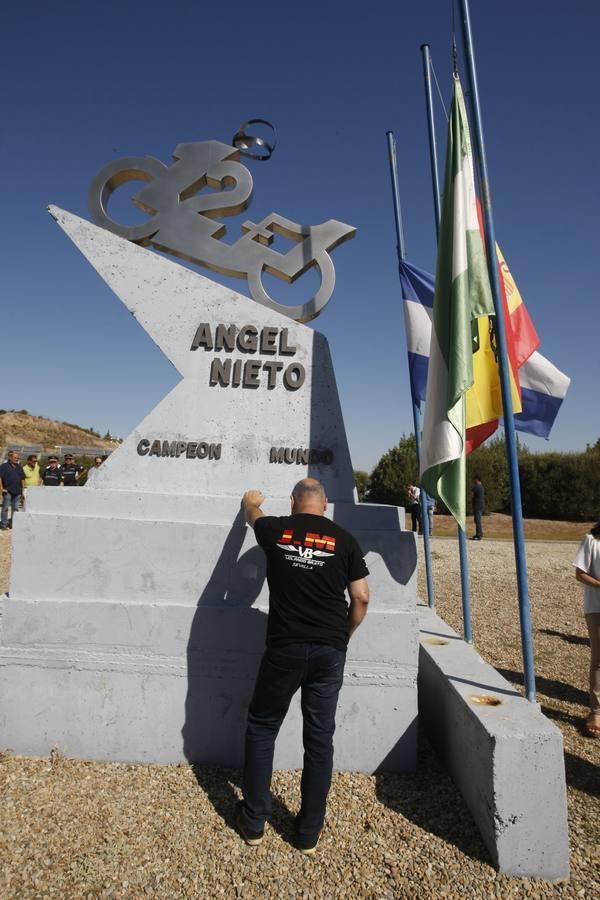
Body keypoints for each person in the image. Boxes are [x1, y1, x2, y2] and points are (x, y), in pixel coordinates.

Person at [237, 478, 370, 855]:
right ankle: (308, 833)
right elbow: (361, 597)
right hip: (330, 650)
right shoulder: (344, 540)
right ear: (325, 504)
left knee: (263, 727)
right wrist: (342, 636)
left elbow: (253, 515)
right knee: (319, 739)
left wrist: (251, 500)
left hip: (285, 649)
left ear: (294, 501)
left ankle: (254, 822)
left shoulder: (277, 529)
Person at [574, 521, 600, 738]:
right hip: (597, 607)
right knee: (599, 659)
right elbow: (580, 573)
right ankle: (597, 711)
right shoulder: (591, 540)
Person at [0, 451, 26, 530]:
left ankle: (13, 524)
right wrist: (1, 488)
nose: (16, 459)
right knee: (5, 508)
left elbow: (22, 478)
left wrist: (23, 489)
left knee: (15, 509)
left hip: (17, 491)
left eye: (17, 458)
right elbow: (0, 478)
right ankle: (3, 525)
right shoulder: (4, 466)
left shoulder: (19, 466)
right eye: (15, 458)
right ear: (10, 457)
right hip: (7, 491)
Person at [471, 475, 485, 540]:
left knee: (477, 521)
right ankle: (478, 534)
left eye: (474, 479)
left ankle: (479, 535)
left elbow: (472, 494)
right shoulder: (482, 487)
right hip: (481, 505)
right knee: (478, 520)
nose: (473, 481)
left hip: (477, 506)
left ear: (477, 479)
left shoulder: (476, 487)